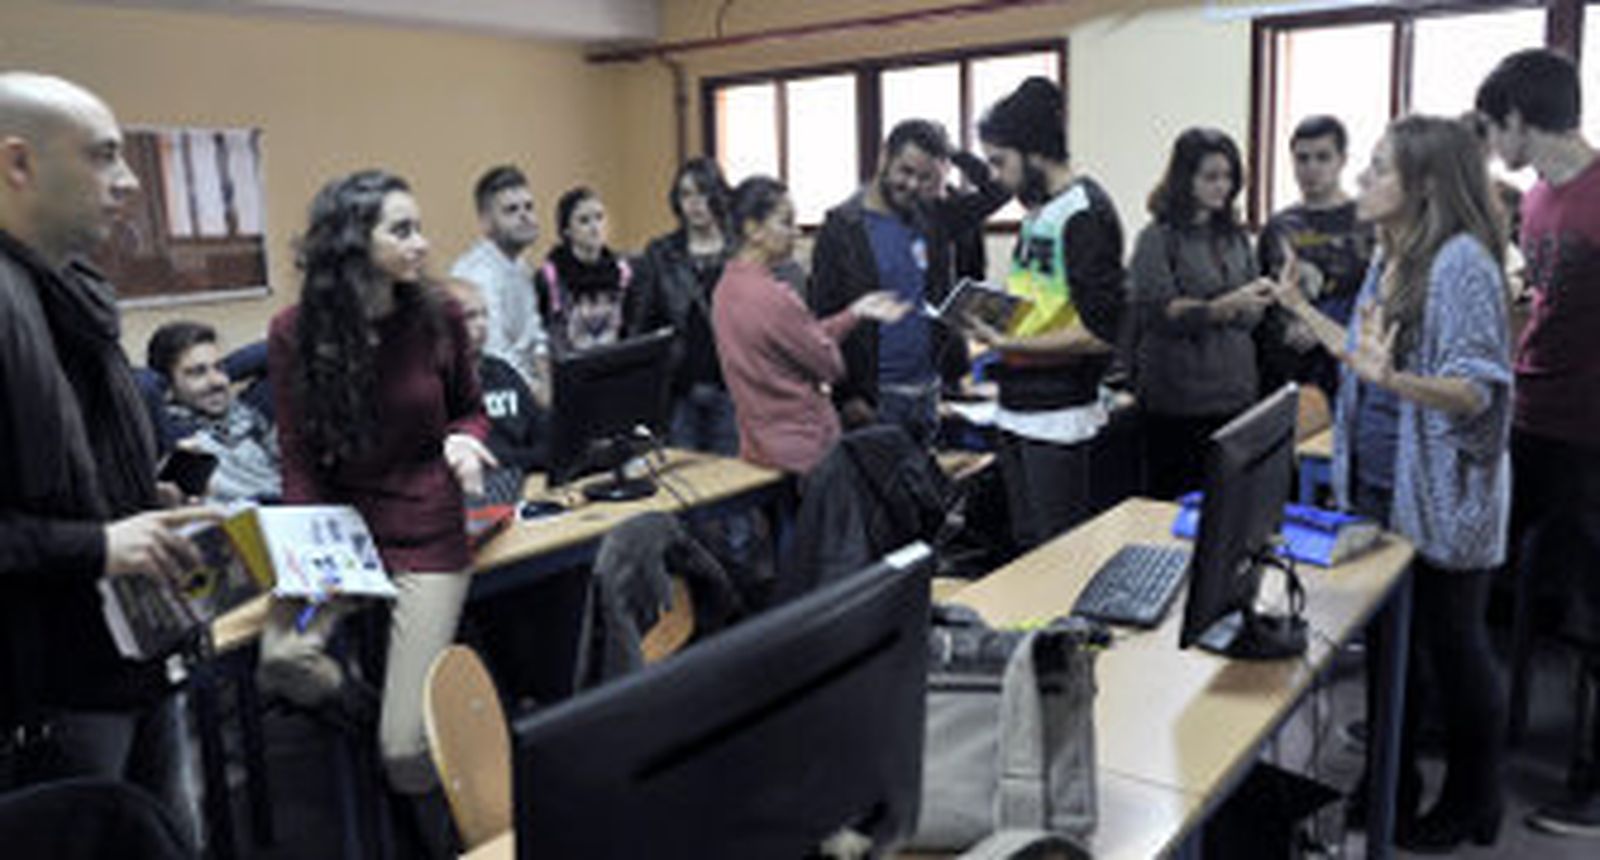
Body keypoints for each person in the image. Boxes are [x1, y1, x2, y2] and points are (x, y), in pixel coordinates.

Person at [1273, 115, 1512, 852]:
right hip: (1380, 484)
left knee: (1453, 647)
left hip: (1443, 493)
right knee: (1389, 647)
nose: (1364, 181)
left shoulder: (1461, 262)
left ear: (1427, 184)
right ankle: (1391, 784)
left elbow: (1478, 390)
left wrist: (1397, 380)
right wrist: (1300, 309)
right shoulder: (1393, 254)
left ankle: (1476, 798)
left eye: (1378, 169)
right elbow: (1364, 355)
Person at [0, 71, 213, 837]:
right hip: (52, 685)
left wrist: (140, 502)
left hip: (139, 649)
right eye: (103, 157)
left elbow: (67, 467)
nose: (126, 182)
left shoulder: (73, 291)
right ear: (17, 164)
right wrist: (97, 542)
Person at [265, 170, 495, 840]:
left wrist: (464, 442)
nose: (422, 243)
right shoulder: (293, 332)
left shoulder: (438, 314)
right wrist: (307, 557)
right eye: (402, 230)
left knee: (405, 754)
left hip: (427, 533)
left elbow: (471, 411)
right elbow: (298, 458)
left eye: (419, 227)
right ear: (350, 242)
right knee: (283, 658)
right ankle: (381, 720)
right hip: (341, 537)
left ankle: (450, 835)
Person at [1477, 48, 1600, 839]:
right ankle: (1445, 724)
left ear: (1522, 117)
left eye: (1495, 127)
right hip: (1533, 418)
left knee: (1594, 614)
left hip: (1593, 437)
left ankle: (1592, 786)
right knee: (1477, 570)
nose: (1493, 144)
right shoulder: (1537, 203)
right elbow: (1542, 302)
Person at [970, 77, 1128, 549]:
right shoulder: (1039, 211)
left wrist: (1010, 343)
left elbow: (1100, 331)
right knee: (1025, 544)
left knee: (1057, 552)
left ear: (1034, 152)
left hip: (1059, 410)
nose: (997, 176)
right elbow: (1044, 301)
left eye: (1001, 162)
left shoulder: (1085, 211)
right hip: (1018, 401)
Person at [810, 119, 1009, 445]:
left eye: (925, 176)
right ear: (884, 158)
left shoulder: (933, 216)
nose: (913, 184)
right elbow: (824, 318)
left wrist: (955, 153)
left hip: (928, 392)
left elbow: (998, 191)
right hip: (872, 399)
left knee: (926, 492)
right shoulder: (842, 228)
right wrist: (845, 397)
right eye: (905, 171)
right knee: (875, 496)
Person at [712, 176, 908, 474]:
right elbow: (830, 365)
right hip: (805, 452)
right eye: (786, 222)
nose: (796, 232)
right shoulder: (774, 297)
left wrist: (853, 313)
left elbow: (799, 338)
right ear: (753, 230)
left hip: (759, 450)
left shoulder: (726, 288)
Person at [1129, 127, 1275, 500]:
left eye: (1228, 177)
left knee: (1229, 508)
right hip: (1176, 403)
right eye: (1210, 177)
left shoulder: (1236, 238)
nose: (1222, 186)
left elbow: (1251, 313)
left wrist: (1233, 305)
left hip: (1236, 396)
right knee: (1172, 509)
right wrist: (1224, 306)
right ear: (1184, 178)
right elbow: (1158, 313)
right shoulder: (1157, 237)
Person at [1257, 115, 1376, 398]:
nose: (1311, 168)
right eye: (1302, 159)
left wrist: (1323, 328)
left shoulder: (1369, 222)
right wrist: (1285, 328)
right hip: (1286, 371)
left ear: (1342, 160)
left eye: (1323, 158)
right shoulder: (1278, 226)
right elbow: (1264, 300)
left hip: (1348, 369)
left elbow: (1380, 300)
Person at [632, 157, 736, 454]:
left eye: (703, 193)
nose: (695, 203)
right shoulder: (661, 253)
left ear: (719, 194)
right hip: (679, 389)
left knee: (731, 481)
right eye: (686, 194)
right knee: (686, 481)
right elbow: (641, 324)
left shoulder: (739, 249)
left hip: (732, 386)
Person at [145, 321, 281, 502]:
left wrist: (223, 375)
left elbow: (278, 349)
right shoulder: (173, 434)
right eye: (197, 372)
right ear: (167, 386)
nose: (217, 381)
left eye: (219, 367)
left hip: (293, 508)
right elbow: (144, 384)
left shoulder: (251, 409)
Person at [450, 165, 549, 401]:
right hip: (493, 394)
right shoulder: (476, 275)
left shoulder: (521, 265)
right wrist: (540, 397)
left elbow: (536, 340)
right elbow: (495, 356)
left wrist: (550, 387)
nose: (525, 216)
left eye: (529, 207)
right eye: (511, 210)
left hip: (527, 389)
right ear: (486, 222)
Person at [444, 276, 548, 472]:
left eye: (485, 315)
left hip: (525, 479)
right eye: (470, 316)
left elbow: (543, 434)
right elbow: (477, 458)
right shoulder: (433, 385)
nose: (482, 324)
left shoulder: (501, 371)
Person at [533, 186, 641, 354]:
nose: (595, 227)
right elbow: (539, 336)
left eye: (599, 218)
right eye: (584, 221)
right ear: (566, 230)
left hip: (616, 365)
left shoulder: (624, 271)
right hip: (570, 370)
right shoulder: (548, 278)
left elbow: (633, 327)